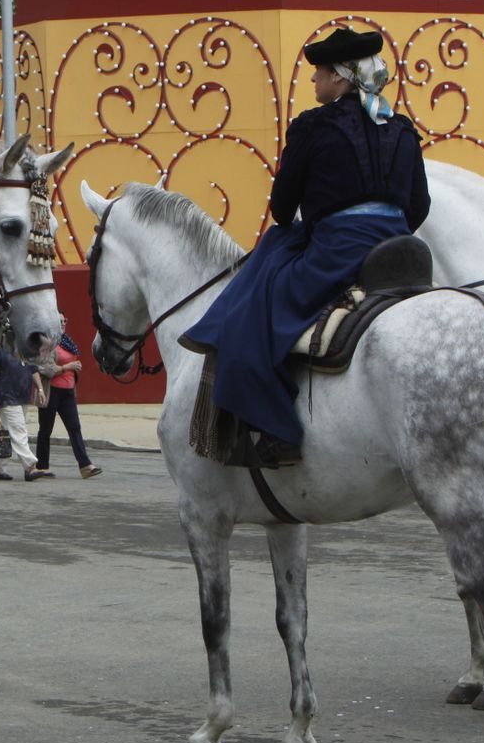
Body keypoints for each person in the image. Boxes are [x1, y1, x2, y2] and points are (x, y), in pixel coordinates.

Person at [181, 28, 430, 467]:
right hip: (398, 251)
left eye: (318, 74)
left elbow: (281, 209)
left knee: (250, 317)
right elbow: (418, 206)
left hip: (338, 251)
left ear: (339, 77)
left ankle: (279, 432)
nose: (314, 82)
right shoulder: (404, 129)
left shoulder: (314, 127)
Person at [34, 320, 102, 479]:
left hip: (68, 392)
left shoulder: (67, 342)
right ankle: (42, 466)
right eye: (60, 321)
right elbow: (45, 368)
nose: (63, 323)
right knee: (46, 429)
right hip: (52, 391)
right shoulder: (47, 342)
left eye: (65, 320)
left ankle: (85, 466)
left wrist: (73, 368)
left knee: (75, 427)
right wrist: (67, 367)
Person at [0, 342, 47, 482]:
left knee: (7, 433)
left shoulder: (24, 346)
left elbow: (33, 368)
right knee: (19, 430)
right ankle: (30, 467)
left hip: (22, 396)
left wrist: (40, 389)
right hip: (5, 396)